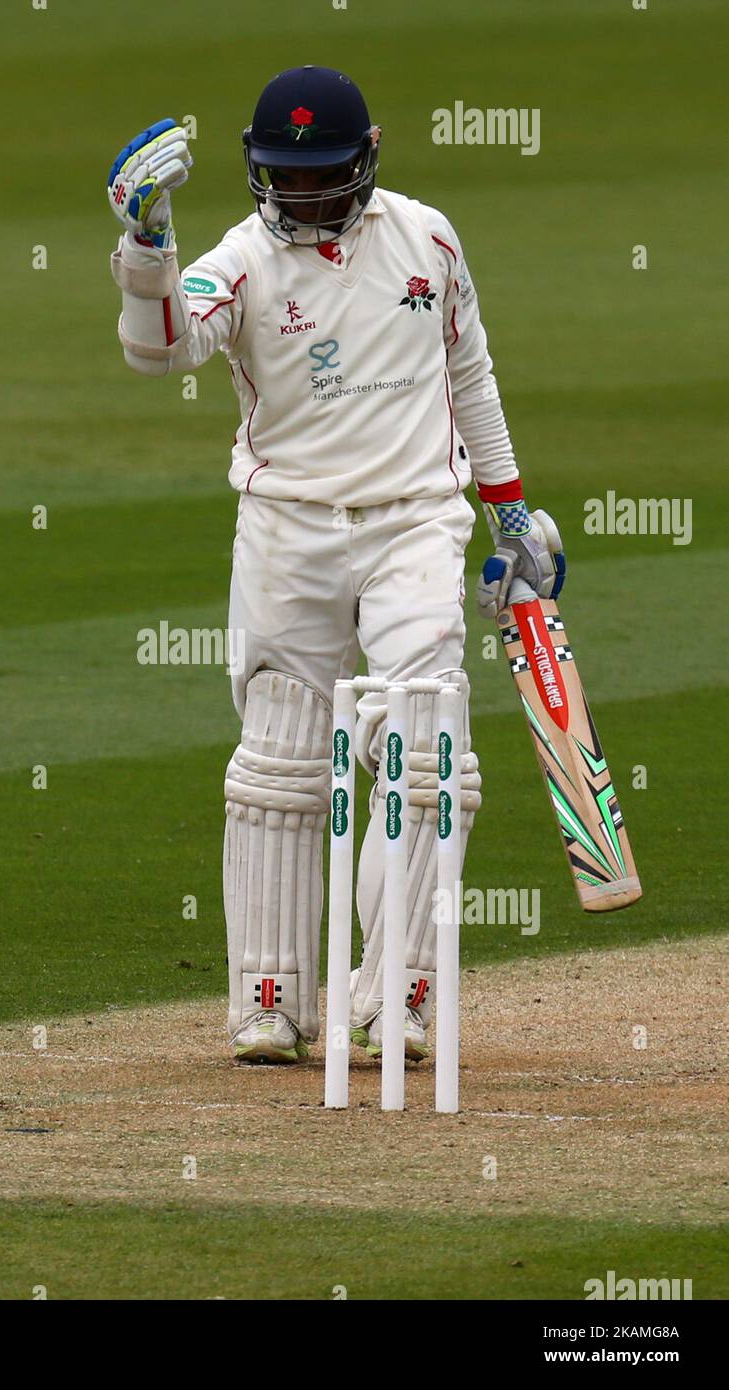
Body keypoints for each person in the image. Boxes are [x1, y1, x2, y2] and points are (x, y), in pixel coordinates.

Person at [106, 66, 564, 1064]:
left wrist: (510, 509)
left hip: (414, 525)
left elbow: (470, 371)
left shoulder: (428, 240)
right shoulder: (239, 260)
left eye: (322, 179)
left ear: (368, 158)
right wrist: (146, 247)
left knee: (434, 756)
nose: (303, 200)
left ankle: (394, 991)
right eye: (285, 179)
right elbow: (161, 351)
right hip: (289, 527)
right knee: (278, 767)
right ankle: (270, 998)